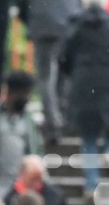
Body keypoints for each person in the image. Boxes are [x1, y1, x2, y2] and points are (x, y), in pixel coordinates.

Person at [59, 0, 109, 197]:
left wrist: (75, 74)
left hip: (83, 85)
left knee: (88, 137)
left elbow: (63, 56)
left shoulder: (75, 25)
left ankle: (91, 184)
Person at [23, 0, 82, 145]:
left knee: (45, 77)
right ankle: (63, 115)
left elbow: (22, 5)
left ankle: (52, 123)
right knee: (64, 73)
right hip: (68, 21)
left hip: (43, 22)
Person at [0, 70, 43, 199]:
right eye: (26, 94)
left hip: (20, 188)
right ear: (12, 92)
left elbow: (36, 151)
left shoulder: (28, 122)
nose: (28, 99)